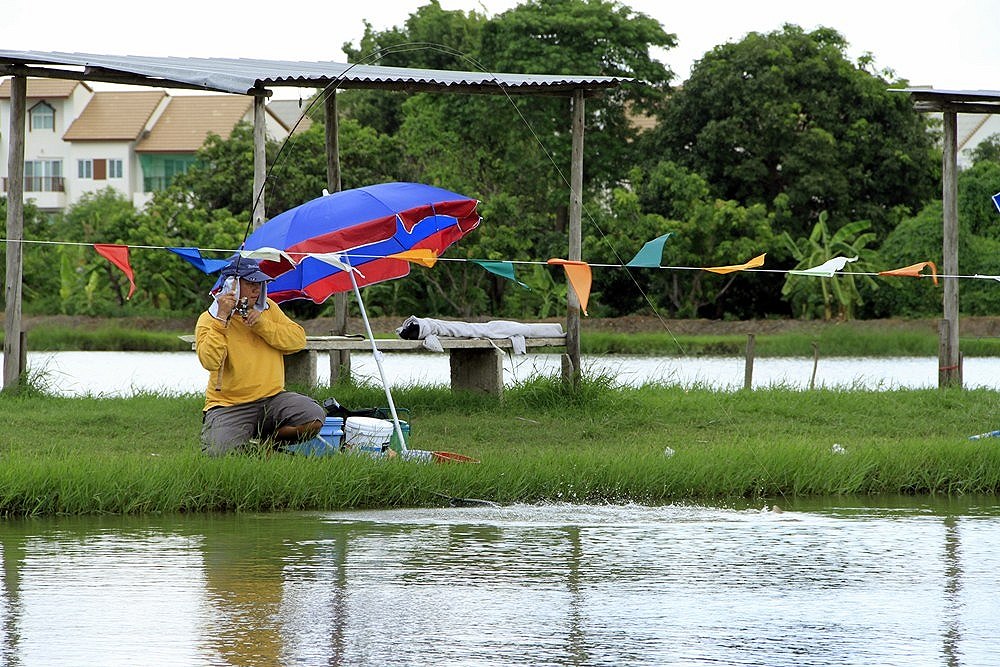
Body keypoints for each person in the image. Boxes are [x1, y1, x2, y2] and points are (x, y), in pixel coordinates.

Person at [195, 257, 325, 456]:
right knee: (218, 454)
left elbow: (298, 341)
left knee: (313, 417)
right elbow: (210, 361)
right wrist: (222, 319)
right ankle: (248, 448)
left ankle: (268, 443)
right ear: (232, 285)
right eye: (250, 283)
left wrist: (262, 325)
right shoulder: (209, 319)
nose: (257, 289)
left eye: (259, 283)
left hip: (273, 399)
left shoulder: (269, 309)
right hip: (228, 405)